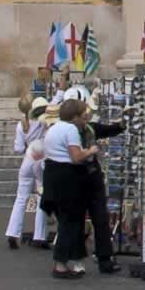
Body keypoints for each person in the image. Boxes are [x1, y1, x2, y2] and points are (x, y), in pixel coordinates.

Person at [40, 90, 102, 278]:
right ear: (74, 117)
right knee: (70, 222)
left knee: (66, 221)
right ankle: (60, 264)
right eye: (83, 117)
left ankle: (73, 259)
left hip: (52, 175)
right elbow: (76, 157)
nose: (85, 121)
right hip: (67, 178)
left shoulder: (53, 128)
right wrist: (91, 151)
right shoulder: (71, 130)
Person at [5, 95, 52, 252]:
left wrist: (28, 147)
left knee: (21, 198)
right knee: (41, 196)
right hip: (40, 159)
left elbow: (18, 148)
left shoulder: (21, 125)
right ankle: (39, 236)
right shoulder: (42, 122)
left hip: (28, 158)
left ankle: (12, 233)